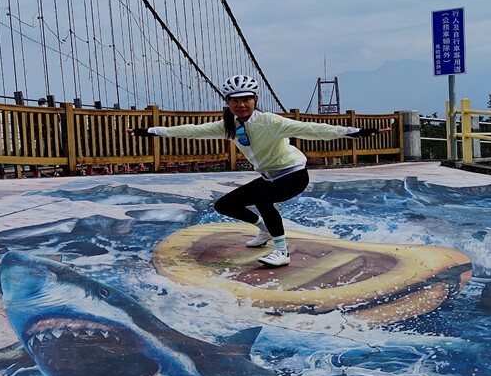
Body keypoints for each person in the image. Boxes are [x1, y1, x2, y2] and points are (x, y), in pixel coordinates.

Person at [128, 75, 388, 268]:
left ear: (255, 100)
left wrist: (355, 132)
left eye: (246, 99)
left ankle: (281, 252)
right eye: (235, 100)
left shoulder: (270, 122)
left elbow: (311, 128)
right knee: (224, 205)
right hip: (269, 176)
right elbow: (191, 131)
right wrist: (151, 131)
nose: (241, 105)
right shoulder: (228, 125)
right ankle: (264, 229)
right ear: (228, 103)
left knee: (264, 199)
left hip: (293, 174)